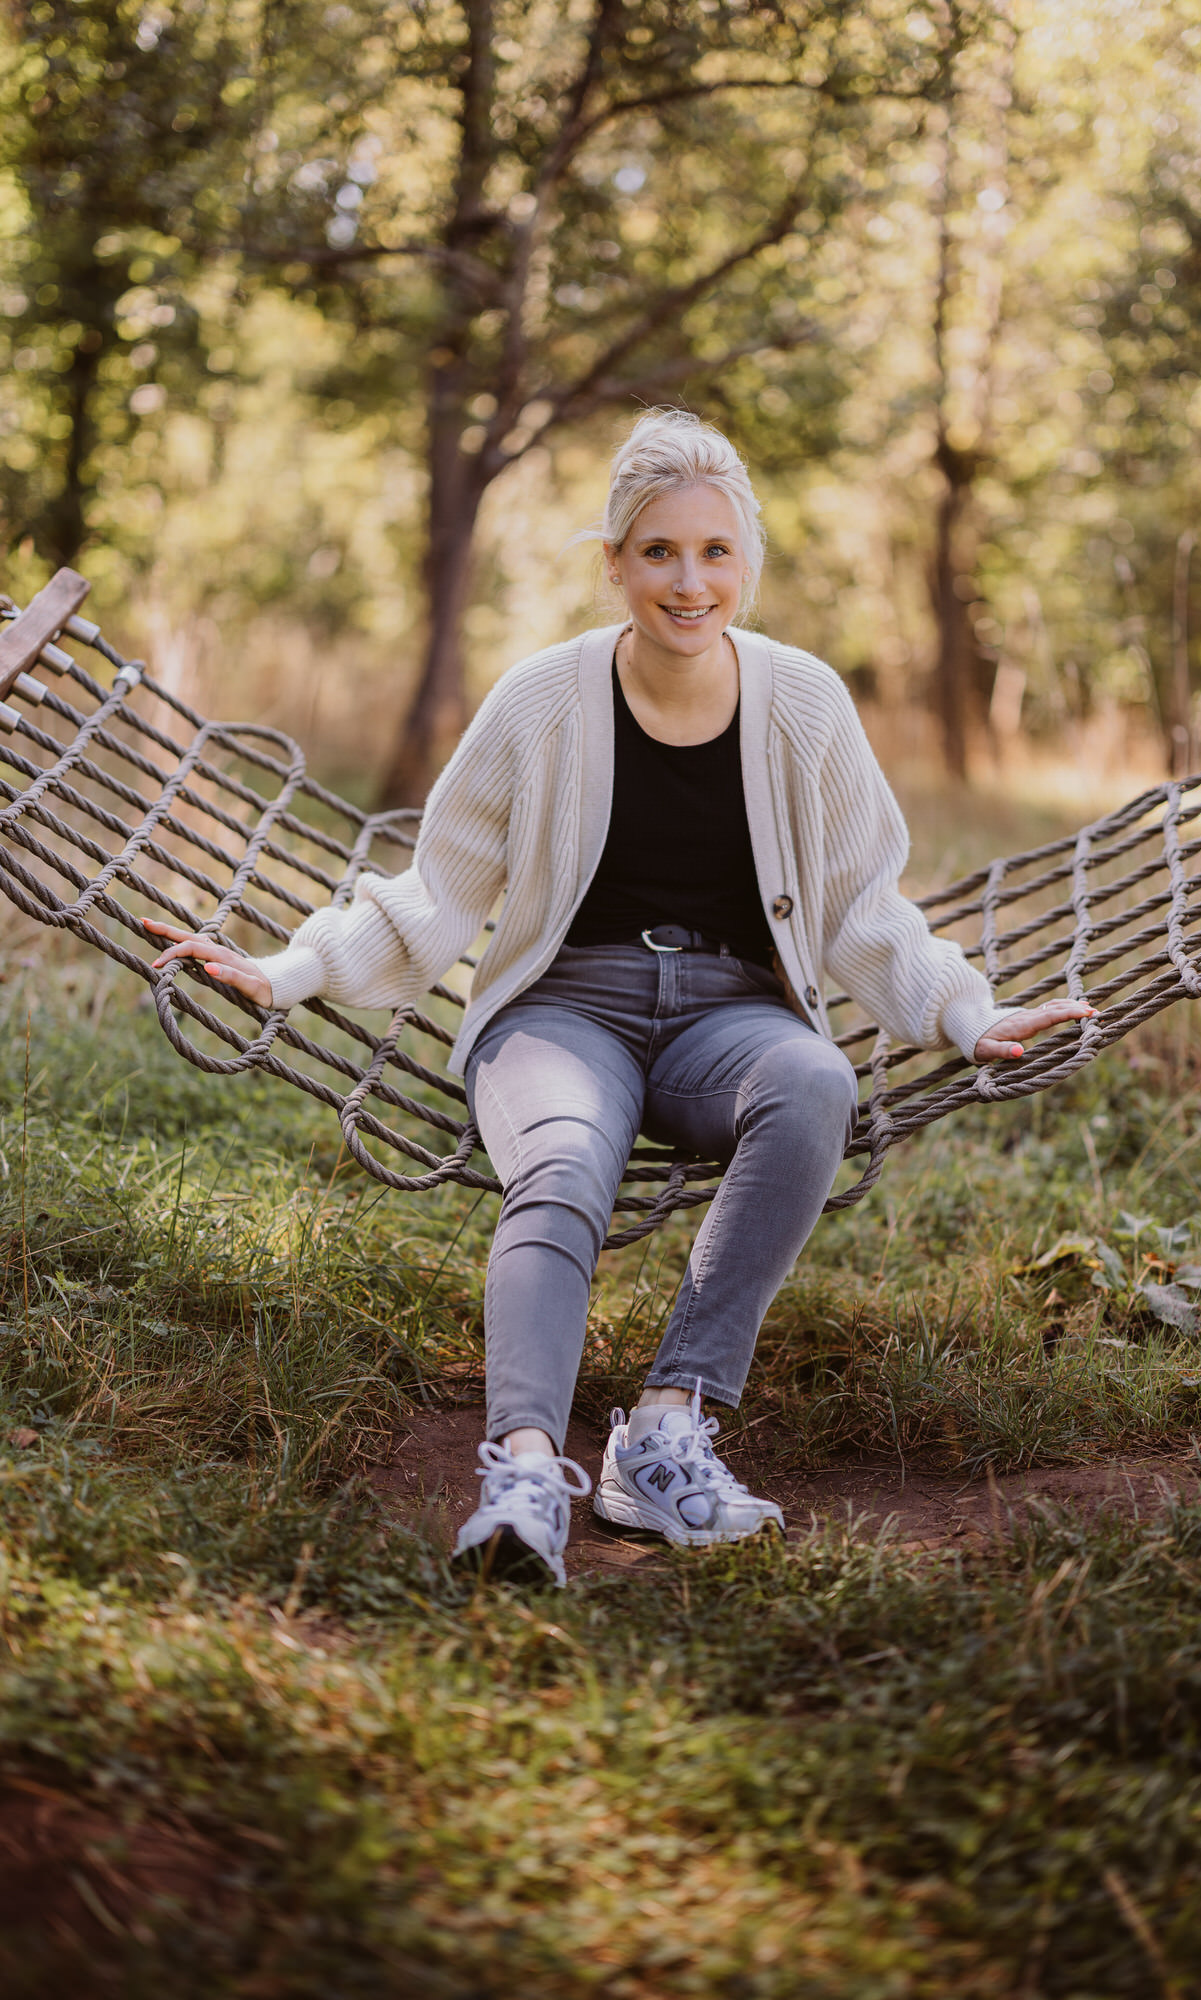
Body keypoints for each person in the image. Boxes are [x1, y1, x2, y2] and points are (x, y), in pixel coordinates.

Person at [147, 409, 1091, 1588]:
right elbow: (437, 891)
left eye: (713, 552)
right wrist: (284, 972)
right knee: (563, 1154)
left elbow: (862, 907)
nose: (687, 583)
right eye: (656, 552)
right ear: (612, 563)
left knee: (814, 1080)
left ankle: (664, 1426)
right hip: (560, 1006)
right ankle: (527, 1470)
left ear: (746, 561)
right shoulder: (541, 700)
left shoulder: (803, 704)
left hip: (727, 1013)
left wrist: (961, 1011)